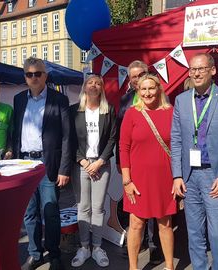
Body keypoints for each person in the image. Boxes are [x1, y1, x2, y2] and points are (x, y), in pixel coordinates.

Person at [171, 52, 218, 270]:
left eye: (201, 68)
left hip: (215, 175)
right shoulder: (181, 101)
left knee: (217, 231)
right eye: (193, 69)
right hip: (189, 176)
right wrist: (176, 175)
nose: (196, 73)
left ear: (212, 70)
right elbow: (176, 140)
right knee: (193, 231)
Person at [13, 57, 71, 270]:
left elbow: (67, 137)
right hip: (24, 164)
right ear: (25, 77)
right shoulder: (19, 99)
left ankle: (54, 254)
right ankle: (35, 254)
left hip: (48, 164)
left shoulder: (59, 99)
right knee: (29, 213)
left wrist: (64, 169)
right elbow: (15, 133)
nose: (34, 77)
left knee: (50, 211)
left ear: (45, 75)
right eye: (30, 74)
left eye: (38, 73)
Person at [120, 73, 176, 270]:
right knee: (136, 224)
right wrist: (127, 181)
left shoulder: (171, 112)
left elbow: (178, 146)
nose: (147, 93)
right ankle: (133, 267)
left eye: (151, 88)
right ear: (138, 91)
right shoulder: (132, 113)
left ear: (159, 89)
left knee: (165, 224)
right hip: (138, 179)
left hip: (164, 178)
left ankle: (169, 266)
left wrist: (177, 178)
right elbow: (123, 147)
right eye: (143, 89)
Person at [115, 60, 163, 264]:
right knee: (136, 207)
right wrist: (120, 162)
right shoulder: (126, 99)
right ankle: (138, 242)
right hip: (133, 162)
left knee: (157, 210)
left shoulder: (159, 97)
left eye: (140, 74)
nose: (137, 79)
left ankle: (155, 247)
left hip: (155, 162)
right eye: (133, 76)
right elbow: (120, 134)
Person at [70, 74, 116, 268]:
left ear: (102, 88)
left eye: (98, 83)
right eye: (90, 82)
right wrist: (83, 162)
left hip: (102, 165)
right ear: (84, 87)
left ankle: (97, 247)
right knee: (83, 207)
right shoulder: (74, 111)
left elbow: (113, 138)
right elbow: (70, 140)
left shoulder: (109, 110)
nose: (94, 85)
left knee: (97, 208)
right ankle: (84, 247)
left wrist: (99, 162)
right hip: (81, 165)